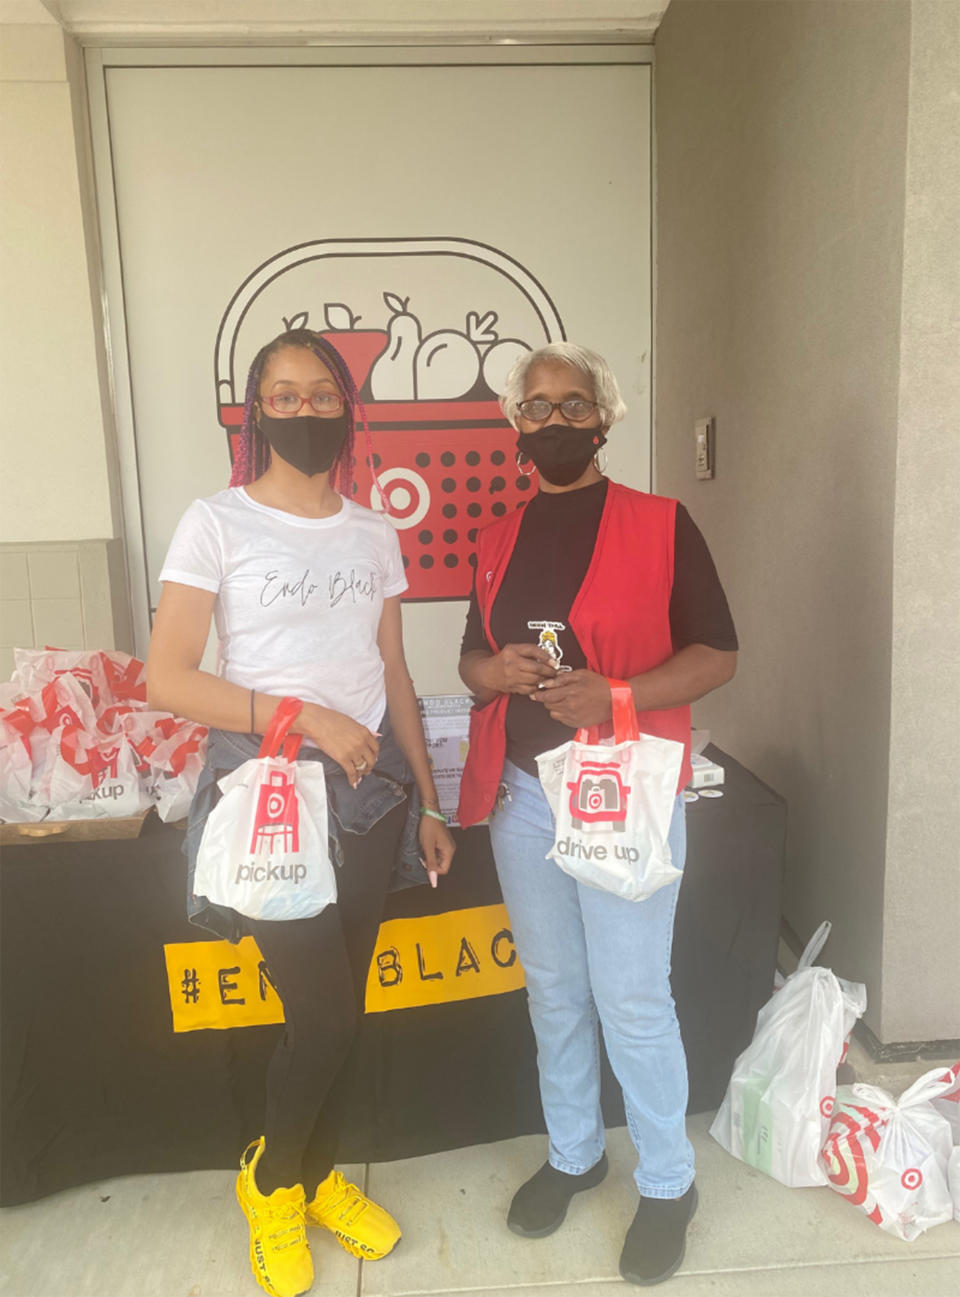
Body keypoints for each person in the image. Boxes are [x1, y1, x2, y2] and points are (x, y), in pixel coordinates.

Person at [147, 327, 455, 1297]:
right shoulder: (215, 522)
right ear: (253, 411)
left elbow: (396, 673)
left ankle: (315, 1176)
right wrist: (302, 714)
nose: (304, 410)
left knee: (343, 1010)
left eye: (321, 394)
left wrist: (432, 800)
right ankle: (273, 1183)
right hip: (269, 793)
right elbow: (166, 678)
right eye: (282, 395)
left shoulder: (373, 532)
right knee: (319, 1016)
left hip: (369, 797)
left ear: (346, 407)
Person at [457, 342, 737, 1286]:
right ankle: (576, 1152)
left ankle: (669, 1180)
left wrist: (618, 695)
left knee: (632, 996)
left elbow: (718, 653)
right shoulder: (498, 536)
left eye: (575, 406)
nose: (556, 423)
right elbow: (471, 660)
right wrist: (494, 673)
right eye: (537, 409)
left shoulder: (661, 524)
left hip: (626, 792)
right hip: (527, 800)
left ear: (604, 421)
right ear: (517, 426)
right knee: (556, 992)